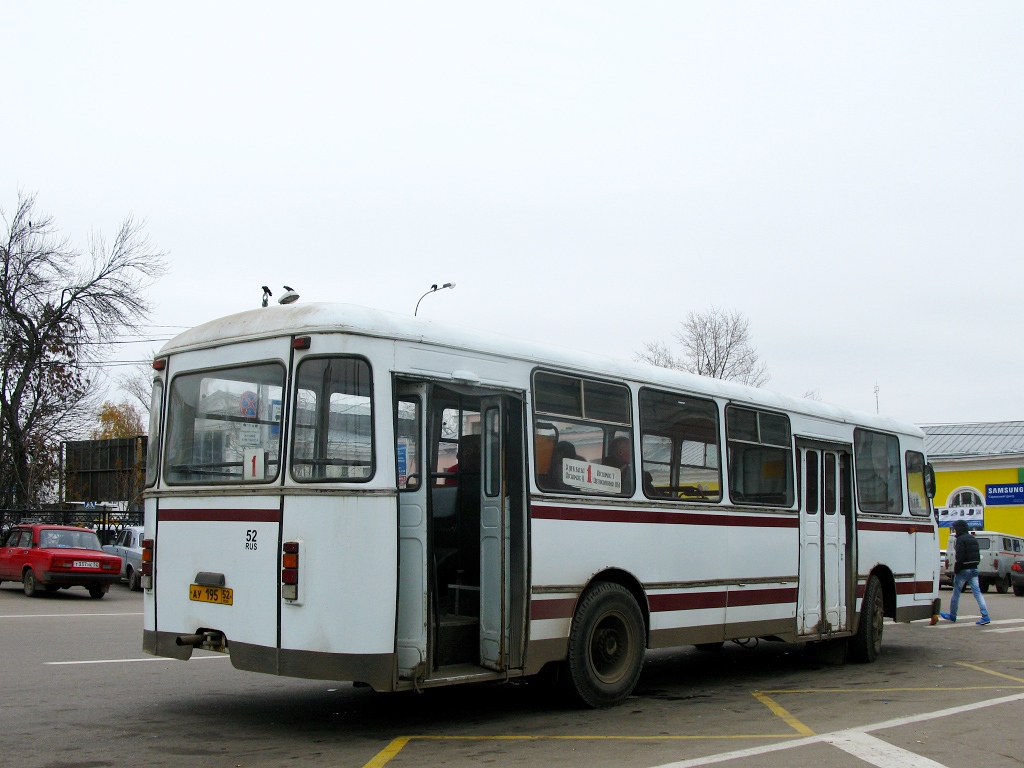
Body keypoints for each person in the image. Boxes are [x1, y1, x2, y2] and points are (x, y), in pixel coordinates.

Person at [940, 519, 991, 625]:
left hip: (963, 569)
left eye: (955, 529)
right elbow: (977, 554)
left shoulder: (960, 540)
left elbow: (960, 556)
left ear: (959, 529)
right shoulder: (973, 538)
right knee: (977, 593)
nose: (954, 531)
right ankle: (985, 616)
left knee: (956, 593)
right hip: (974, 569)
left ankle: (952, 615)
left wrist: (956, 569)